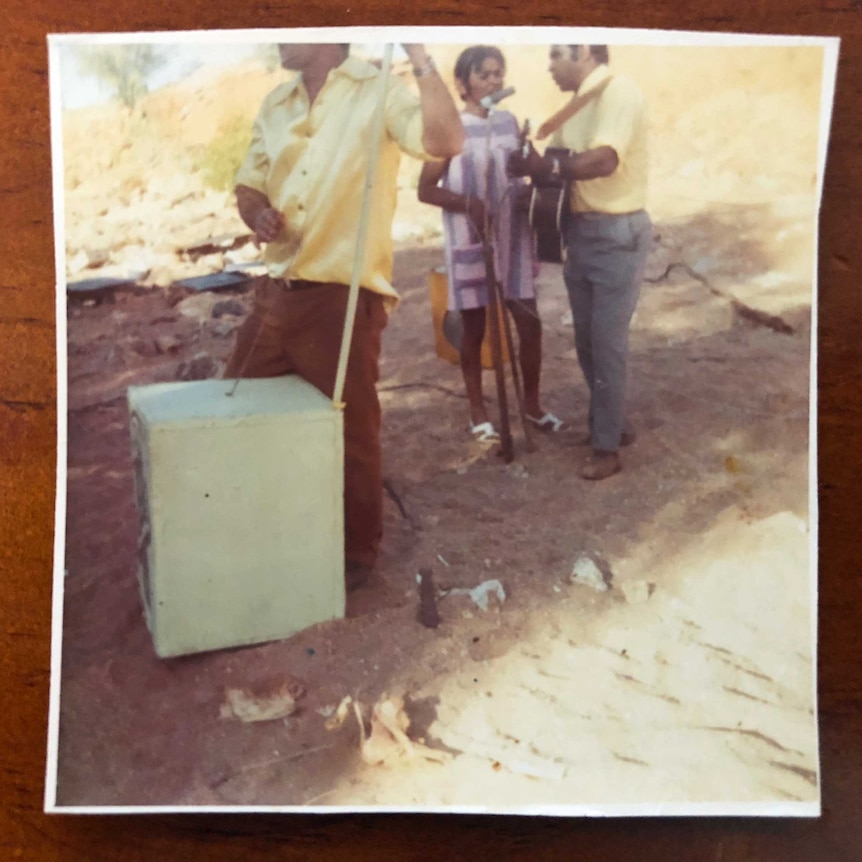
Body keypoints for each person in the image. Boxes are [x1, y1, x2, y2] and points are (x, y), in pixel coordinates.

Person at [224, 43, 464, 589]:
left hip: (343, 296)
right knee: (233, 412)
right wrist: (256, 212)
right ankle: (263, 534)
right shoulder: (276, 102)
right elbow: (248, 182)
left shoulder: (379, 90)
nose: (279, 36)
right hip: (276, 291)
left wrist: (418, 55)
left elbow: (447, 141)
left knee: (349, 429)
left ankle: (357, 555)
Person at [509, 44, 651, 480]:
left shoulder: (618, 93)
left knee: (605, 343)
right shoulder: (575, 107)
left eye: (557, 55)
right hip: (582, 232)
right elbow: (553, 162)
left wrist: (546, 169)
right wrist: (530, 164)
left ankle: (607, 448)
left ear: (586, 51)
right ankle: (613, 426)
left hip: (615, 233)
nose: (549, 65)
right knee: (588, 342)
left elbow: (604, 160)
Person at [417, 45, 562, 444]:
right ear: (462, 84)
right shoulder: (450, 128)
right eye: (485, 74)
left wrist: (525, 163)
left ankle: (532, 406)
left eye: (499, 73)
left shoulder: (509, 122)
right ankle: (478, 411)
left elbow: (528, 169)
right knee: (475, 328)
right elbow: (425, 190)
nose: (495, 81)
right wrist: (469, 204)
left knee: (529, 324)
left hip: (512, 238)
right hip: (471, 239)